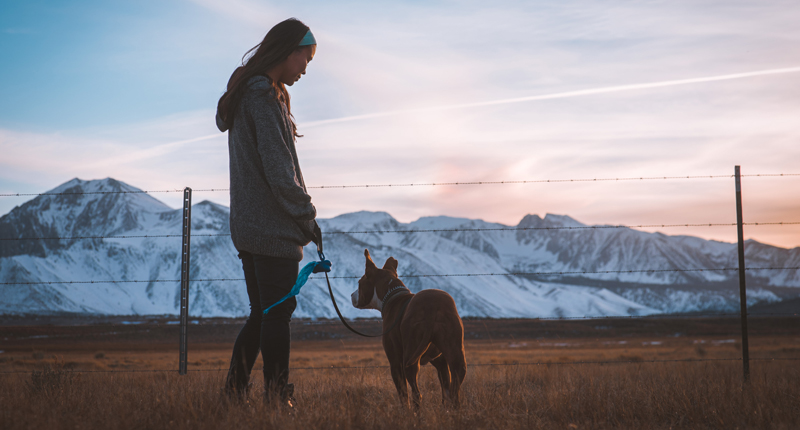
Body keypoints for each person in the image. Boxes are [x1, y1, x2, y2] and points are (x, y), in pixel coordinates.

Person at [215, 18, 322, 406]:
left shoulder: (248, 93)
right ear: (289, 50)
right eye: (305, 59)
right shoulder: (263, 97)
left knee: (262, 313)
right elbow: (280, 173)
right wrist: (308, 218)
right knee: (277, 314)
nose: (305, 69)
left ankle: (234, 391)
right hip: (272, 228)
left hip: (248, 226)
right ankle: (277, 398)